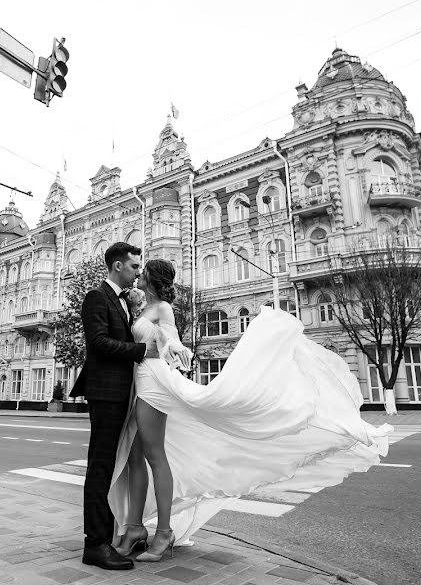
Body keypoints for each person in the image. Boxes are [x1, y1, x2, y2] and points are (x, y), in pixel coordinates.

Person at [108, 258, 392, 563]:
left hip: (153, 381)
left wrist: (171, 348)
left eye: (143, 271)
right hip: (140, 380)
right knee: (134, 458)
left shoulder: (162, 308)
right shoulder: (140, 307)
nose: (138, 275)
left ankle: (163, 532)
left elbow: (173, 344)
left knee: (154, 456)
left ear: (151, 278)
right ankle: (135, 528)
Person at [69, 242, 167, 571]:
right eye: (134, 266)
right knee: (100, 466)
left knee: (111, 466)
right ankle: (95, 545)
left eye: (140, 267)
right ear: (117, 267)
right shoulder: (97, 297)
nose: (139, 271)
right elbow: (98, 343)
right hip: (107, 393)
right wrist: (142, 352)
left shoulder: (123, 301)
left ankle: (106, 535)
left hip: (123, 394)